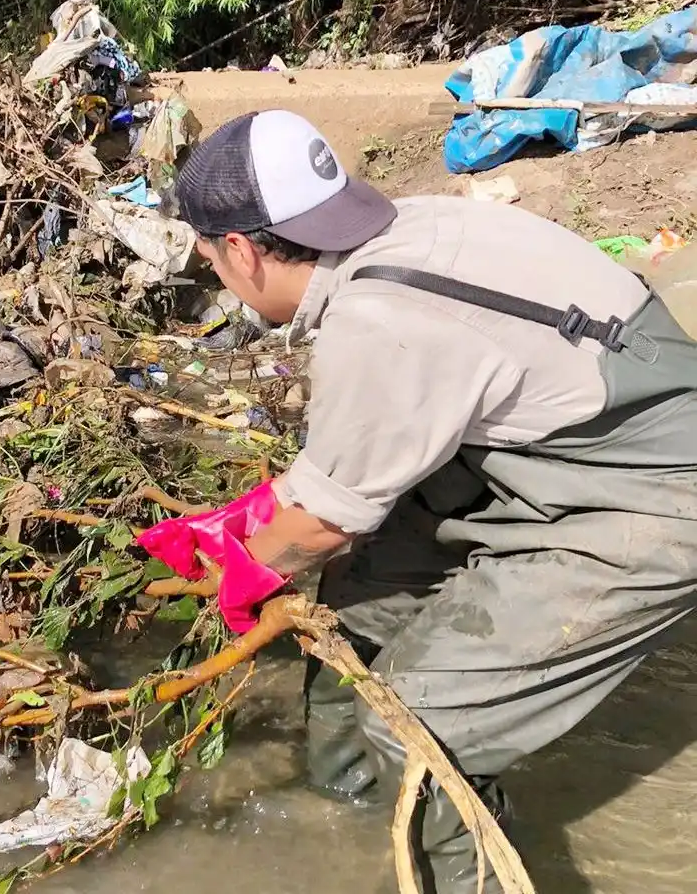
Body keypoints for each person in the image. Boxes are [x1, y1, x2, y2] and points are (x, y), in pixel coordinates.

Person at [140, 110, 697, 893]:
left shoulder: (377, 319)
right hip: (562, 439)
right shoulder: (413, 226)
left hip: (654, 491)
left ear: (240, 250)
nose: (219, 280)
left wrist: (239, 565)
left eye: (211, 261)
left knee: (421, 721)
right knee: (356, 599)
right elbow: (352, 474)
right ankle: (345, 811)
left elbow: (325, 522)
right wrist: (253, 522)